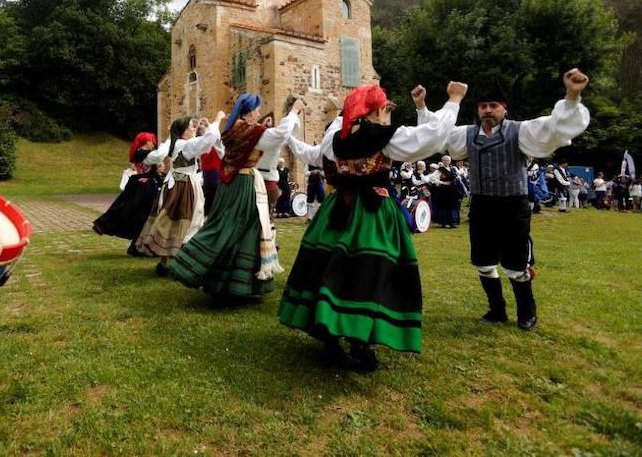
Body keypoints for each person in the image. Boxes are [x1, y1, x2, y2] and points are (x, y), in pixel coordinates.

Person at [278, 82, 467, 370]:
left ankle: (330, 337)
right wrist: (453, 100)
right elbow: (432, 137)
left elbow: (313, 155)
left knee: (326, 267)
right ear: (377, 110)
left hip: (336, 210)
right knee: (369, 272)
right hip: (372, 211)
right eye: (382, 109)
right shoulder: (384, 137)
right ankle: (360, 342)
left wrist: (291, 135)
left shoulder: (335, 135)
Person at [445, 71, 590, 331]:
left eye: (493, 106)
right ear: (478, 110)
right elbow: (434, 135)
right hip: (481, 205)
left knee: (516, 263)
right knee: (484, 262)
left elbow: (554, 129)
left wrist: (572, 95)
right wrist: (422, 108)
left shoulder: (521, 131)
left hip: (513, 206)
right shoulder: (465, 135)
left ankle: (527, 311)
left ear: (504, 108)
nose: (488, 110)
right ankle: (497, 309)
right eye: (483, 106)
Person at [167, 95, 305, 298]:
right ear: (248, 113)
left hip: (228, 185)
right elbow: (279, 135)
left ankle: (224, 282)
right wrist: (293, 112)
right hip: (242, 185)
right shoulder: (251, 131)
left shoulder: (231, 130)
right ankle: (199, 269)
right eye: (257, 110)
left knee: (228, 227)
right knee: (243, 229)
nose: (259, 114)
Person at [136, 113, 224, 273]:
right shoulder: (184, 145)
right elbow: (208, 139)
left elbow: (206, 142)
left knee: (174, 220)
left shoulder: (177, 143)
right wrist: (217, 120)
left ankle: (165, 263)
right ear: (183, 131)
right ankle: (179, 263)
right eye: (191, 126)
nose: (194, 128)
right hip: (184, 186)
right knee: (187, 220)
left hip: (176, 184)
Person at [93, 132, 163, 255]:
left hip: (143, 185)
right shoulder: (142, 153)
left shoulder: (141, 152)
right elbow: (153, 166)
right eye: (152, 141)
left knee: (141, 215)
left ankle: (138, 246)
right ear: (147, 142)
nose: (154, 143)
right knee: (141, 215)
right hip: (144, 188)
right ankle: (137, 246)